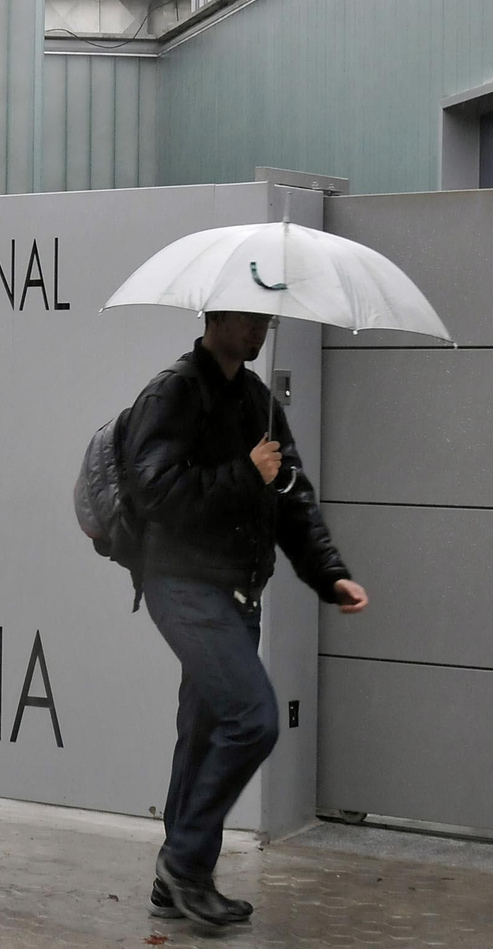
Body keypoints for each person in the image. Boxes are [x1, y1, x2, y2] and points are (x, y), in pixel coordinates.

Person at [119, 310, 368, 929]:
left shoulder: (258, 403)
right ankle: (186, 863)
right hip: (181, 584)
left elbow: (292, 498)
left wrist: (329, 573)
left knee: (204, 730)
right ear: (215, 317)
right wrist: (241, 473)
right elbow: (154, 493)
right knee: (253, 719)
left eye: (267, 319)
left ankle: (172, 881)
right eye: (249, 318)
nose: (260, 329)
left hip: (236, 591)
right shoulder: (172, 392)